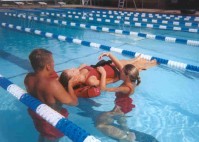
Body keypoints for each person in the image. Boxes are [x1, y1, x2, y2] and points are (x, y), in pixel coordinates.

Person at [24, 48, 78, 142]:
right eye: (53, 62)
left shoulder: (28, 78)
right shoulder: (52, 84)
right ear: (48, 66)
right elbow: (74, 103)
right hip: (51, 121)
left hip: (38, 118)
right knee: (53, 139)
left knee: (43, 134)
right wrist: (70, 85)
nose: (54, 64)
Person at [59, 53, 155, 98]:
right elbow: (106, 83)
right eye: (71, 71)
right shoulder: (90, 81)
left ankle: (134, 59)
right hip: (115, 73)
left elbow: (83, 65)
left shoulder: (81, 71)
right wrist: (114, 78)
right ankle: (144, 64)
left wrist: (78, 69)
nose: (72, 68)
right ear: (74, 79)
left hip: (109, 66)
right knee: (136, 67)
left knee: (127, 62)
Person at [96, 53, 140, 142]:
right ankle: (127, 131)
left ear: (127, 76)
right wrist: (109, 54)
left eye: (122, 71)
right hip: (125, 104)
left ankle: (125, 138)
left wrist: (103, 73)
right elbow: (119, 65)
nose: (120, 71)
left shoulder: (125, 88)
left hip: (120, 107)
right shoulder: (131, 81)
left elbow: (104, 89)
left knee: (99, 124)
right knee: (121, 118)